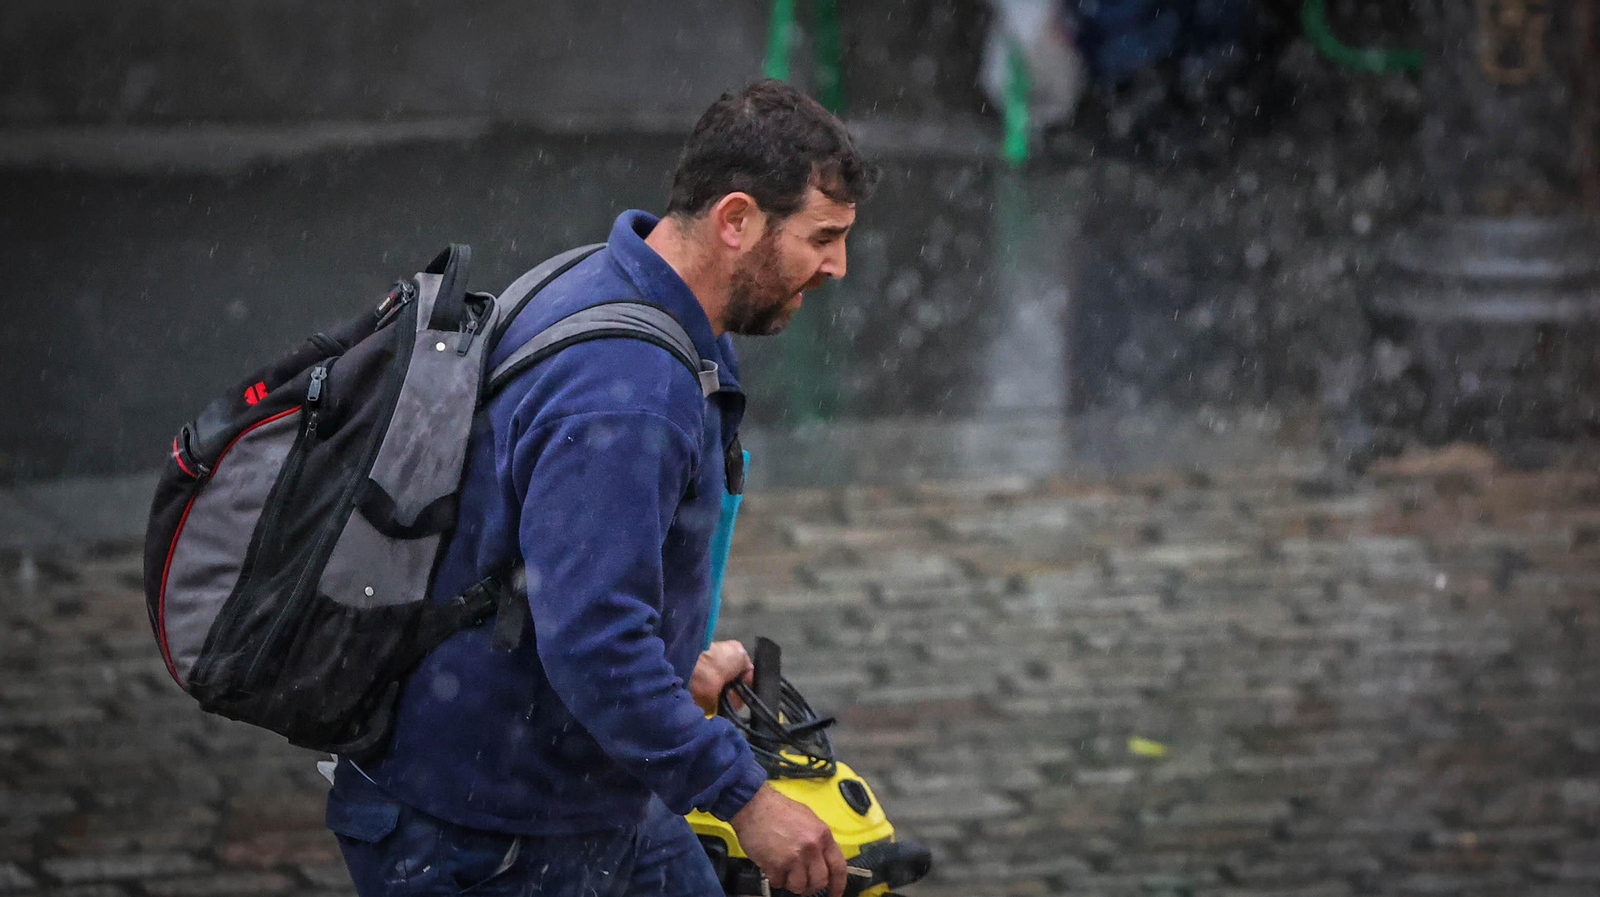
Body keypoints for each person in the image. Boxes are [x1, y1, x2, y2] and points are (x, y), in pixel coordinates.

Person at [322, 79, 879, 897]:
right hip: (489, 835)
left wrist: (677, 662)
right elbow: (592, 638)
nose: (837, 265)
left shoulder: (614, 280)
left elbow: (558, 573)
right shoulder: (629, 390)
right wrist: (745, 800)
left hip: (583, 794)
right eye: (822, 237)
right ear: (735, 220)